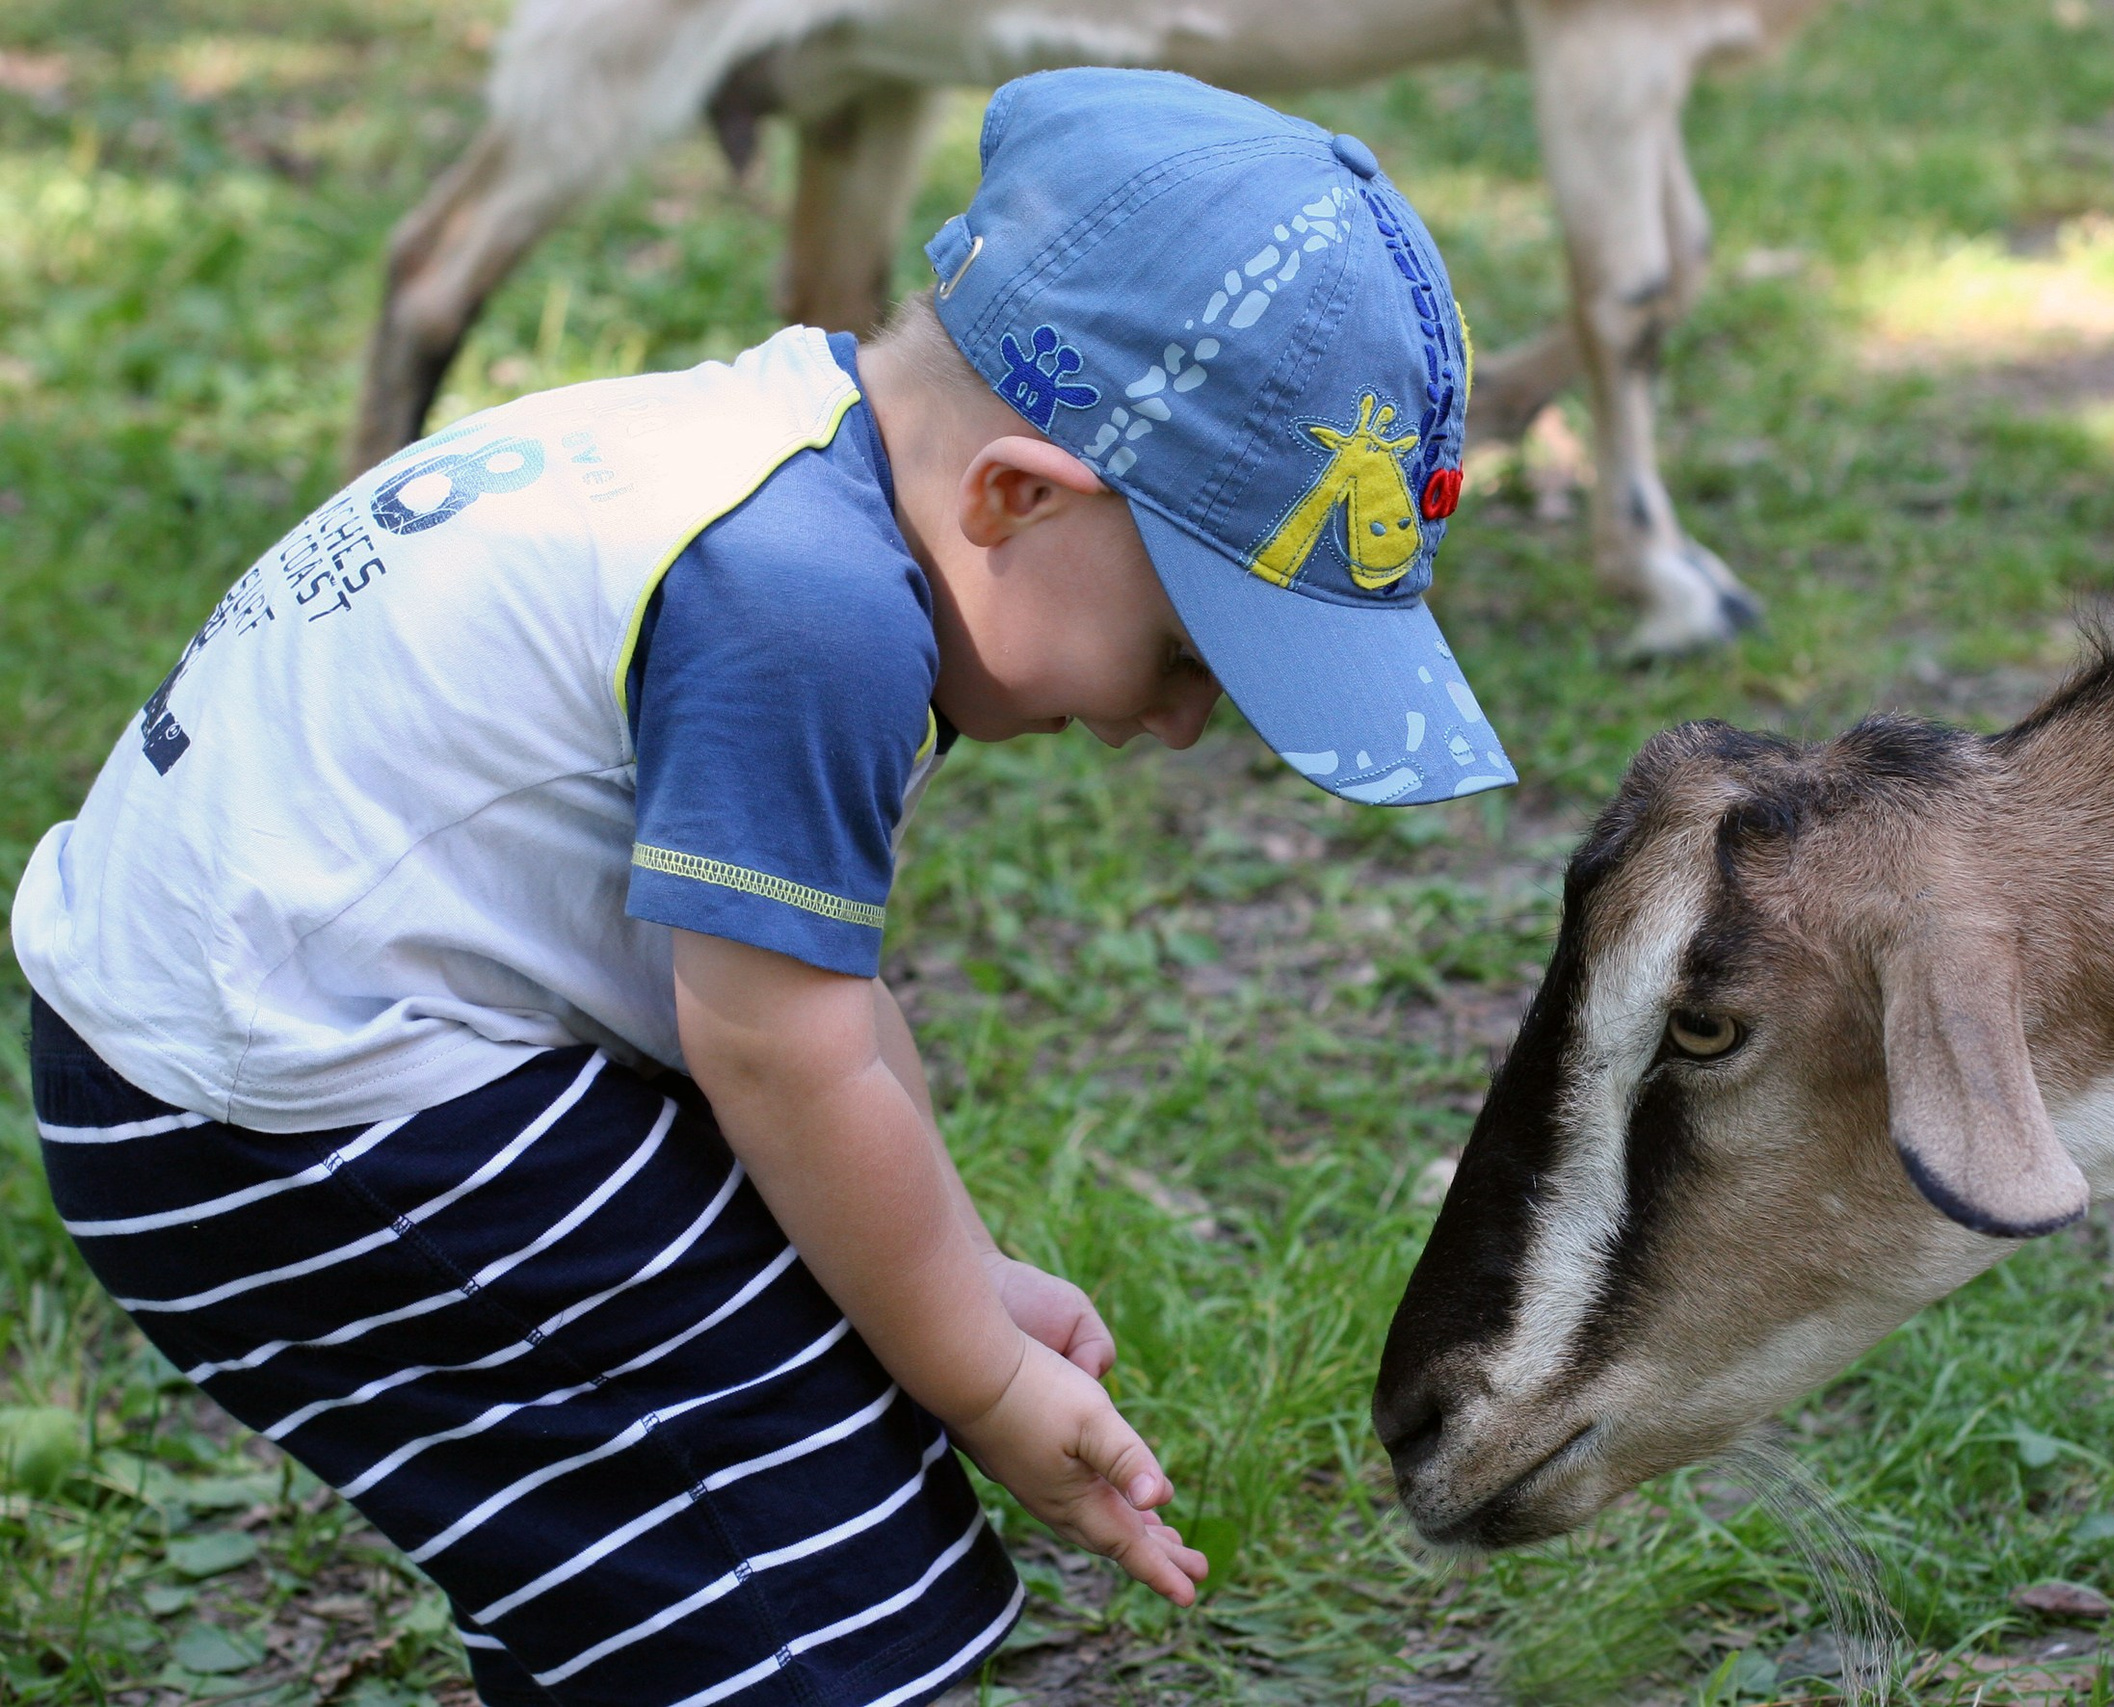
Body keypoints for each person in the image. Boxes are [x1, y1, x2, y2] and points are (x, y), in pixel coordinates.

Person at [12, 67, 1511, 1707]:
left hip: (275, 1039)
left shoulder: (798, 471)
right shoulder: (807, 606)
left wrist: (964, 1274)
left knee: (739, 1476)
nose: (1171, 723)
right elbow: (780, 1063)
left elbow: (818, 1005)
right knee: (810, 1579)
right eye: (1189, 652)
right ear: (1017, 497)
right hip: (291, 1114)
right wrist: (988, 1382)